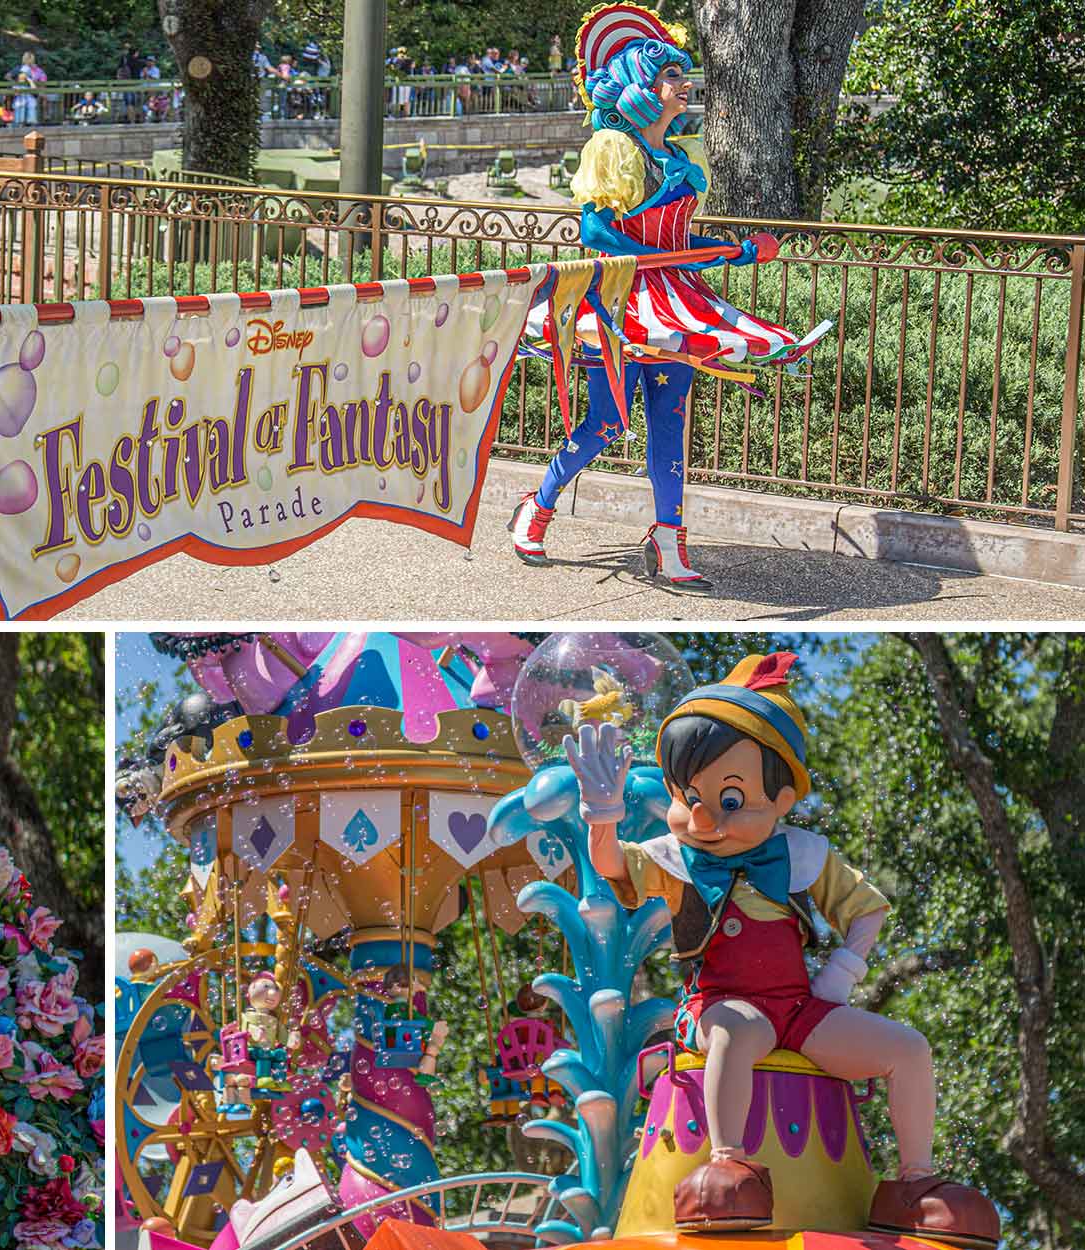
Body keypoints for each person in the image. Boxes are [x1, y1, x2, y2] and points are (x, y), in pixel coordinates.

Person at [564, 654, 1000, 1246]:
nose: (704, 815)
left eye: (732, 798)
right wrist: (603, 817)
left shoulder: (801, 853)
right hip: (715, 1004)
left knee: (909, 1048)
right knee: (735, 1031)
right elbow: (613, 866)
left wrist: (842, 976)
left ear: (784, 797)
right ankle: (726, 1163)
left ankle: (913, 1185)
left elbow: (867, 910)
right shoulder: (675, 857)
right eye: (688, 793)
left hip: (798, 1011)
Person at [510, 4, 825, 588]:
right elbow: (598, 232)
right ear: (641, 87)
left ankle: (668, 540)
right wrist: (687, 255)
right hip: (623, 300)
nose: (685, 85)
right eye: (673, 76)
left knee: (669, 422)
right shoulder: (612, 150)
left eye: (681, 74)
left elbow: (679, 238)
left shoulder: (676, 158)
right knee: (606, 422)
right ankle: (539, 503)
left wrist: (739, 251)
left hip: (677, 300)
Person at [11, 51, 46, 127]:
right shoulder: (19, 69)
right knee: (22, 106)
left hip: (30, 93)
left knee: (30, 105)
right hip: (22, 93)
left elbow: (43, 80)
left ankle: (28, 123)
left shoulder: (36, 70)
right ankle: (22, 124)